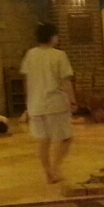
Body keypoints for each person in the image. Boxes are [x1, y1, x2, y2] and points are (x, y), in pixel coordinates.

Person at [21, 21, 76, 184]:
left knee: (43, 140)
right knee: (65, 138)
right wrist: (73, 101)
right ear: (52, 37)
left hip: (35, 104)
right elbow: (66, 81)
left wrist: (28, 102)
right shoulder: (59, 55)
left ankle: (48, 172)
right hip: (55, 103)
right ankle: (55, 168)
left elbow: (26, 81)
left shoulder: (30, 54)